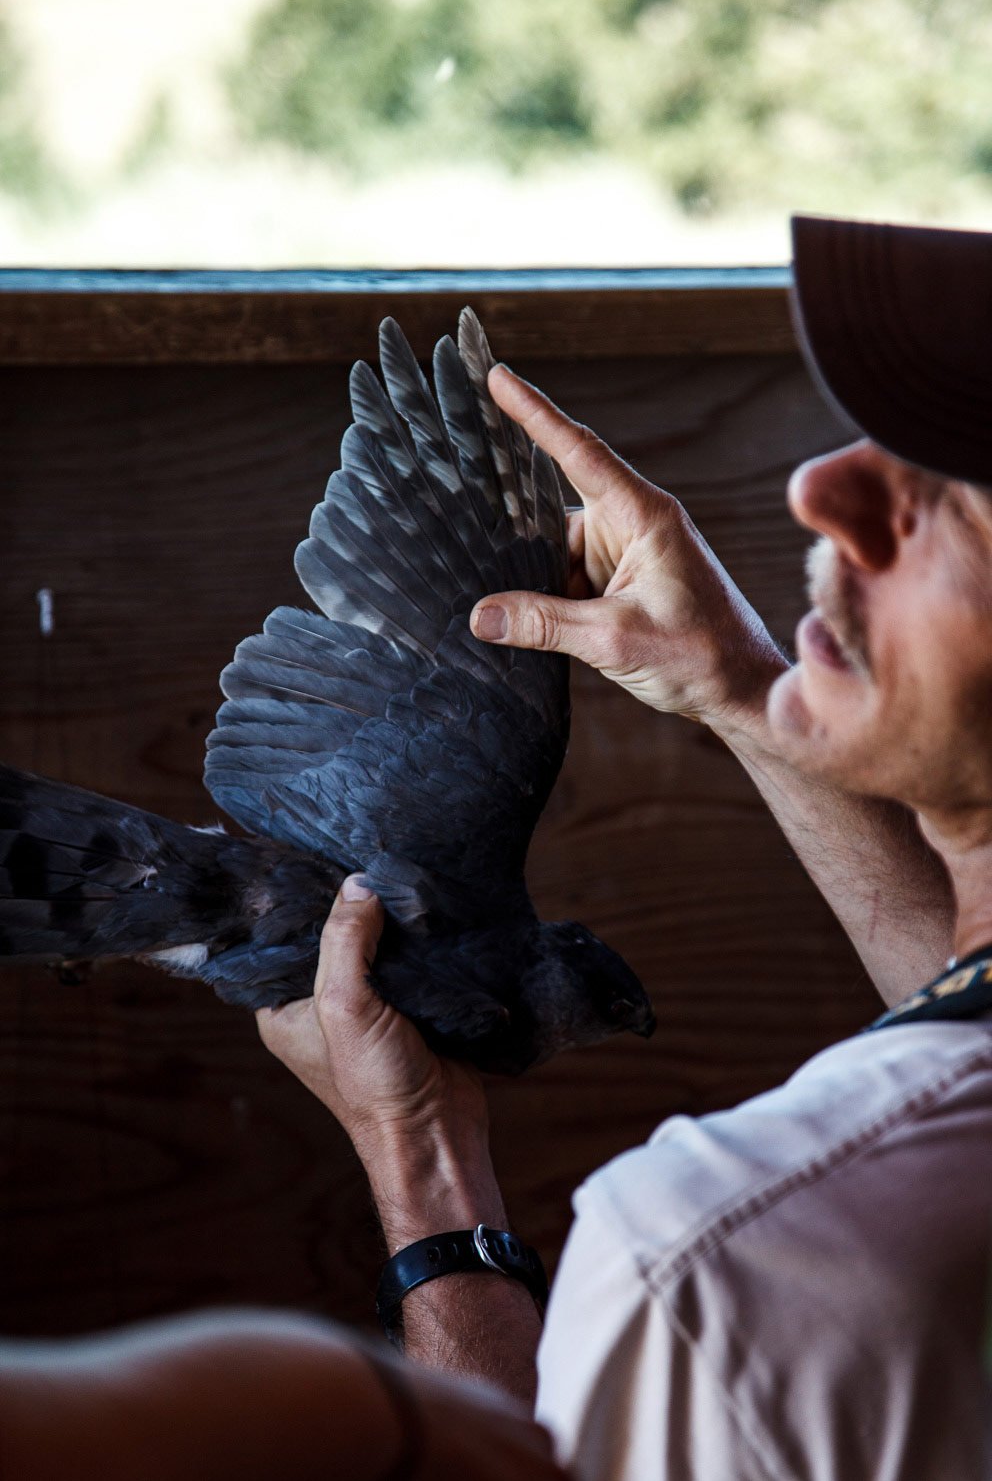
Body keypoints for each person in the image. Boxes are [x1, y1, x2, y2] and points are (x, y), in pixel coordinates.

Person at [258, 215, 992, 1480]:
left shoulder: (723, 1264)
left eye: (960, 493)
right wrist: (740, 688)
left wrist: (424, 1169)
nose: (827, 488)